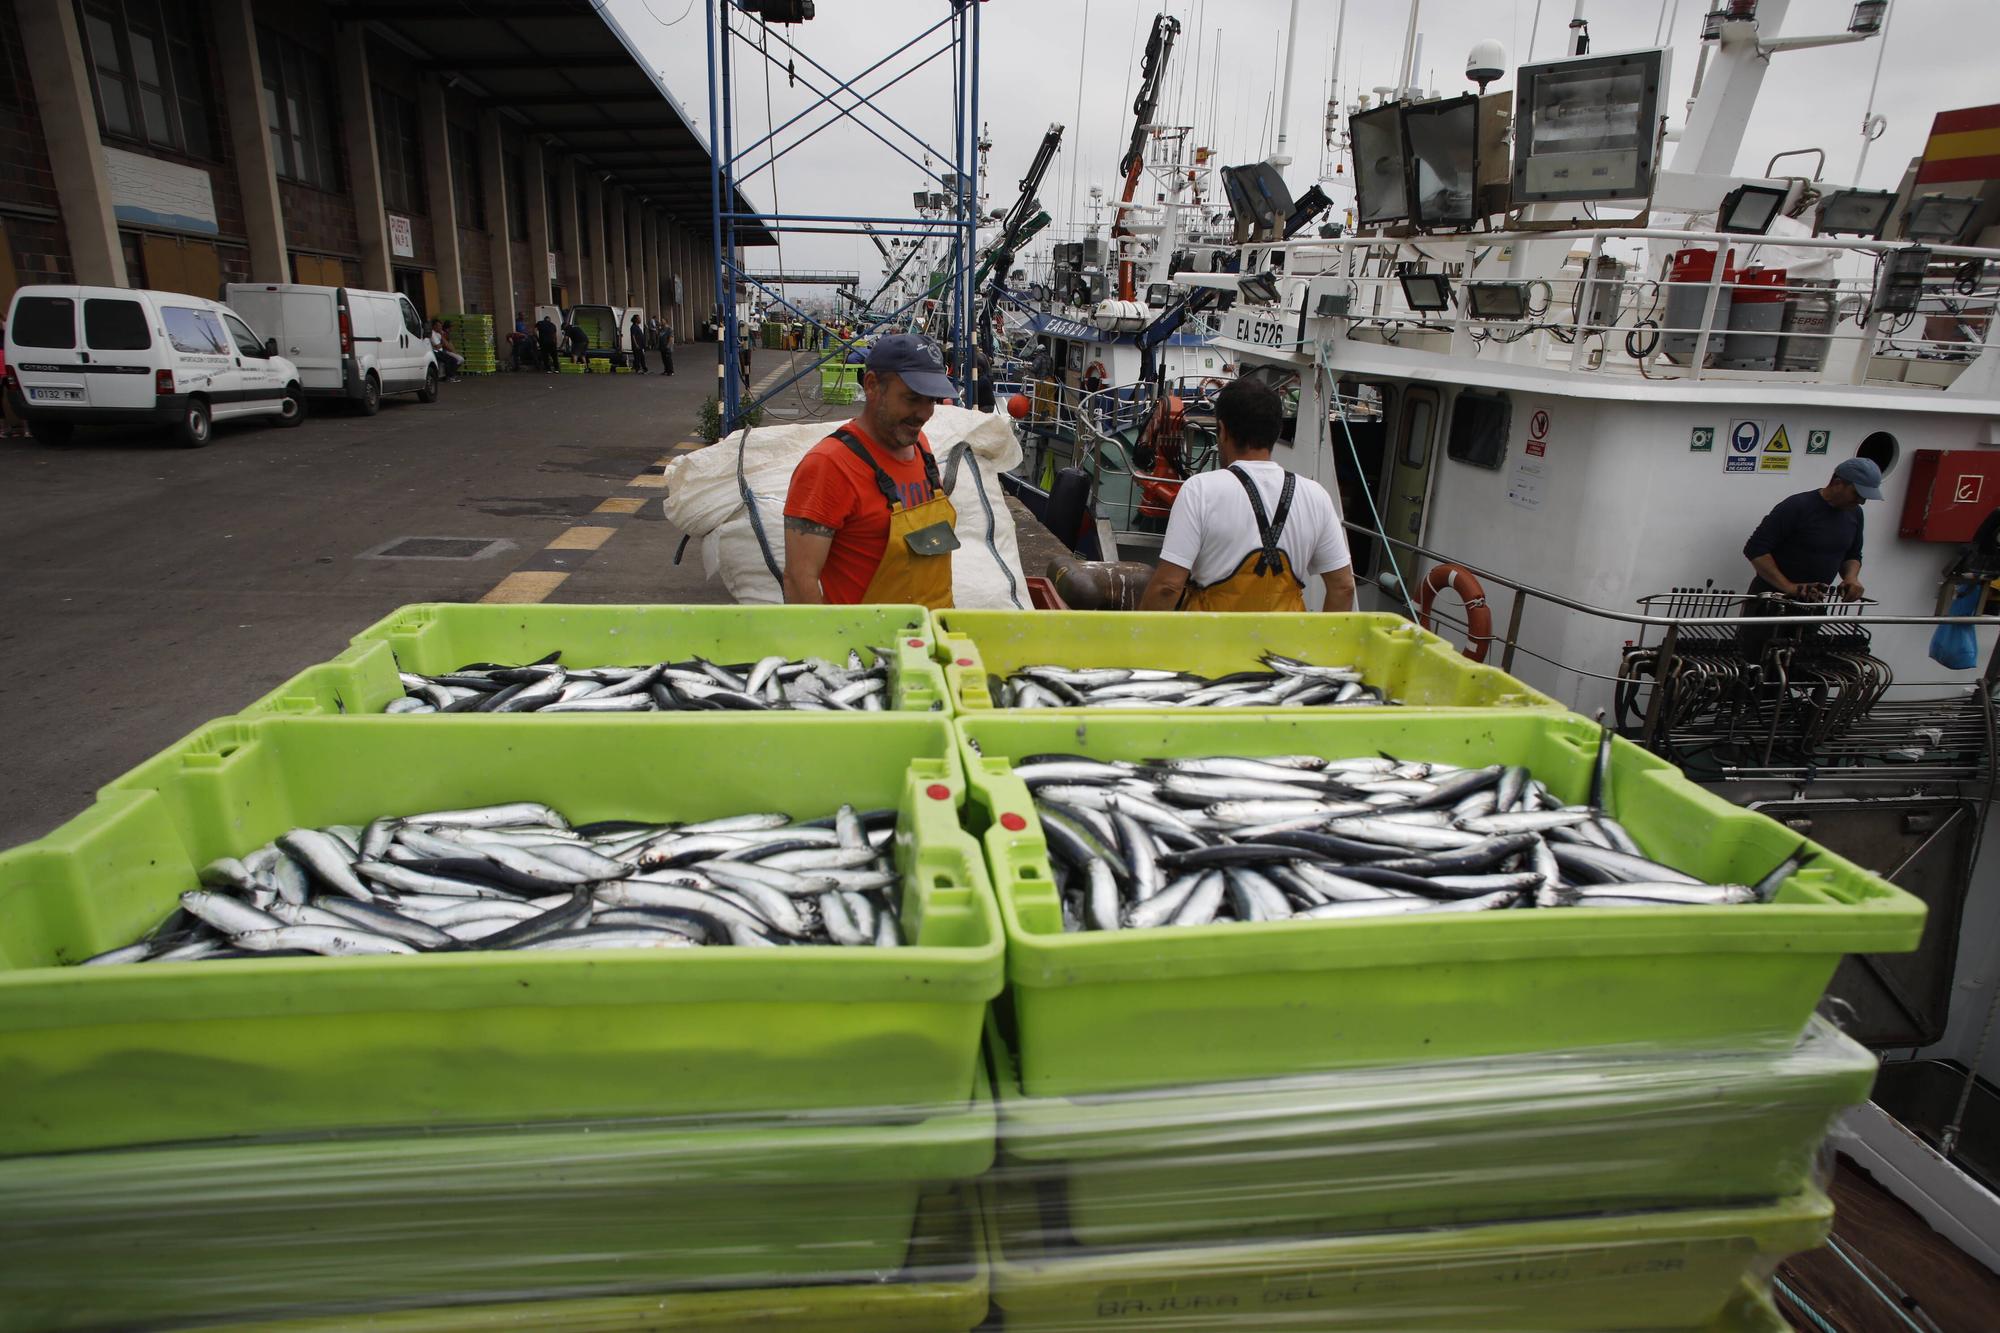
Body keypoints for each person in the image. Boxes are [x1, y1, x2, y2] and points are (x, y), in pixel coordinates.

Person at [1137, 377, 1356, 613]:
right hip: (1285, 647)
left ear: (1222, 431)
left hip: (1211, 644)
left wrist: (1138, 643)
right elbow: (1344, 587)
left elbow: (1168, 587)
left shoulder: (1199, 490)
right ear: (1276, 430)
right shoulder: (1316, 496)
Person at [782, 333, 960, 608]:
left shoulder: (920, 446)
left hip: (930, 636)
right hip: (866, 644)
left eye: (932, 400)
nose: (925, 413)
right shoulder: (829, 466)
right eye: (912, 398)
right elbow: (798, 580)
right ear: (872, 385)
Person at [1743, 458, 1879, 603]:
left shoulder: (1855, 513)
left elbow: (1852, 554)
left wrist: (1851, 577)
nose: (1861, 501)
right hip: (1772, 601)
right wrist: (1789, 587)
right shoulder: (1797, 506)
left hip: (1813, 602)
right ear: (1838, 483)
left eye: (1865, 497)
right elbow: (1755, 549)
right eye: (1857, 494)